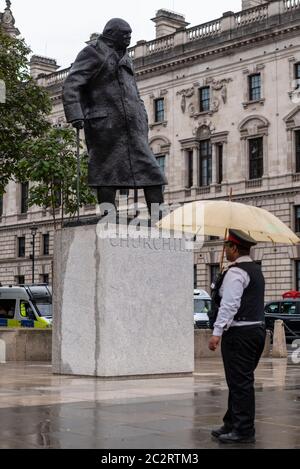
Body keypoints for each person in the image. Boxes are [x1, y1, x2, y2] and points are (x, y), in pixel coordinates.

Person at [63, 18, 167, 216]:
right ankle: (108, 215)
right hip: (104, 124)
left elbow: (133, 91)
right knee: (106, 172)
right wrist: (75, 114)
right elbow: (71, 84)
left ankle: (159, 217)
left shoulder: (126, 57)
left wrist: (142, 117)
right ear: (111, 34)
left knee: (152, 172)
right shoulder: (92, 52)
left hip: (131, 126)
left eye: (130, 34)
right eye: (125, 34)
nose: (129, 37)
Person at [208, 229, 266, 444]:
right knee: (239, 380)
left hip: (240, 334)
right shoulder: (255, 269)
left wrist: (217, 333)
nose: (224, 249)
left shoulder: (236, 273)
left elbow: (229, 305)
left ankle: (243, 430)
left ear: (234, 248)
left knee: (240, 383)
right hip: (256, 332)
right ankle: (231, 422)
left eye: (226, 246)